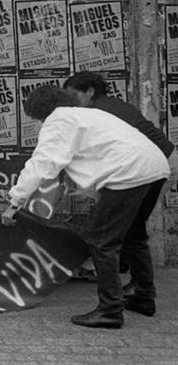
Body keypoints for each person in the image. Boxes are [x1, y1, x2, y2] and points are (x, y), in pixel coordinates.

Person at [1, 85, 169, 328]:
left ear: (40, 112)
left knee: (102, 242)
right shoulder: (89, 115)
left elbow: (41, 164)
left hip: (128, 173)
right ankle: (144, 297)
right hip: (154, 167)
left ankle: (110, 310)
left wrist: (14, 203)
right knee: (135, 236)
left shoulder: (58, 121)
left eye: (37, 119)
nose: (39, 124)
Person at [63, 71, 175, 293]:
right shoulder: (112, 105)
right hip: (160, 163)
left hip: (154, 166)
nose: (70, 102)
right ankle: (140, 289)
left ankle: (116, 299)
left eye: (73, 95)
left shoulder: (98, 112)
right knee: (132, 229)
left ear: (90, 92)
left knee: (115, 233)